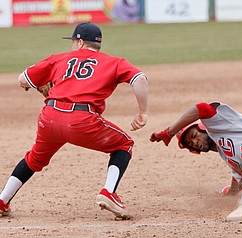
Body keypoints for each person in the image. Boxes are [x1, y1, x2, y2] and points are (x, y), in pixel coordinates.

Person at [0, 22, 149, 220]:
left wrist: (41, 85)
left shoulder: (58, 59)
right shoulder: (114, 62)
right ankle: (108, 192)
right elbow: (139, 79)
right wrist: (143, 112)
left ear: (79, 42)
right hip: (81, 121)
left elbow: (22, 79)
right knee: (124, 144)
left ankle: (3, 199)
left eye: (73, 41)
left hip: (49, 117)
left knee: (35, 158)